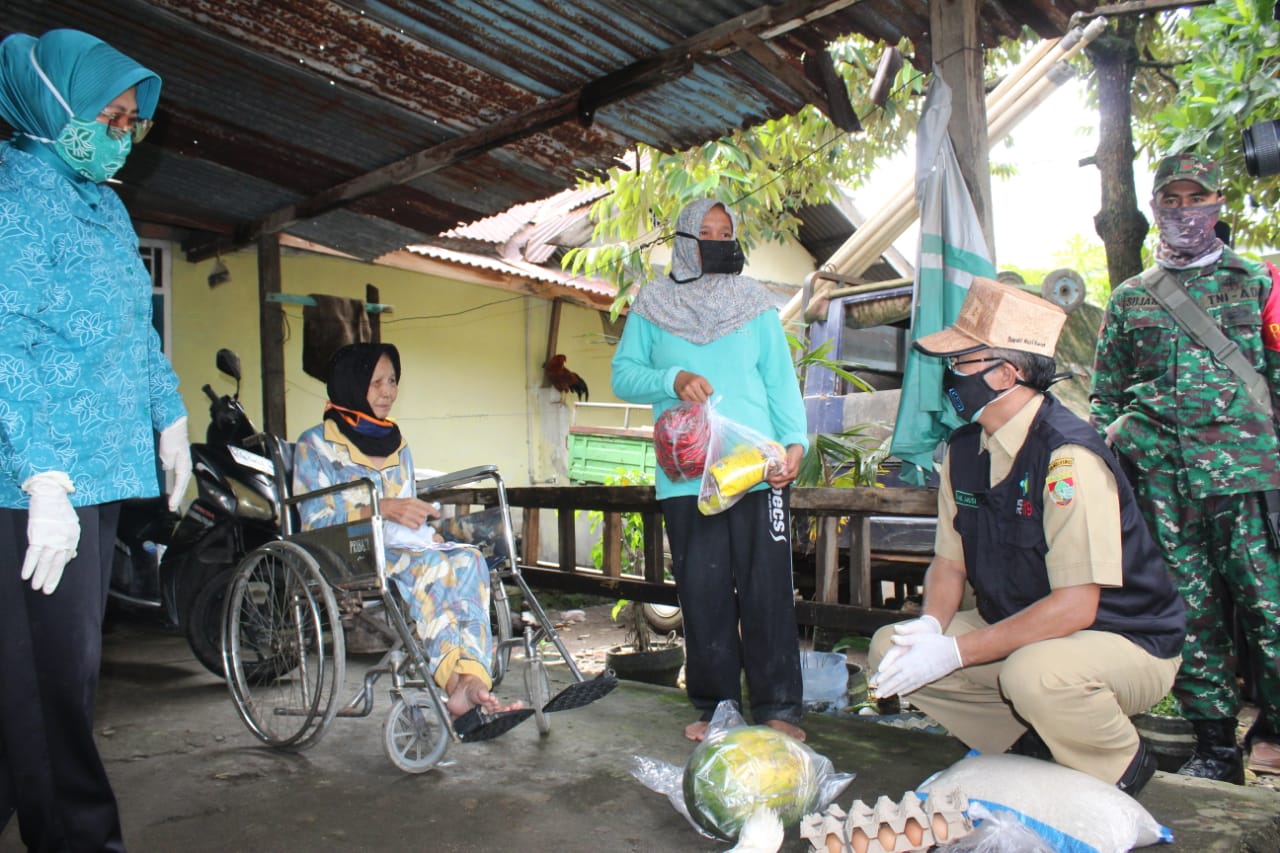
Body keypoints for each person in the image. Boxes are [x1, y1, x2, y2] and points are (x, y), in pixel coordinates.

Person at [868, 277, 1186, 797]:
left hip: (1123, 636)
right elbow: (950, 562)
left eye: (961, 362)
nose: (950, 374)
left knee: (1035, 675)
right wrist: (931, 627)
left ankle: (1120, 767)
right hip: (1022, 625)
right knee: (891, 649)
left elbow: (1076, 608)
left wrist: (955, 653)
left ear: (1005, 373)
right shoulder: (964, 450)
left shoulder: (1067, 457)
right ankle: (1028, 748)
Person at [0, 28, 193, 851]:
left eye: (129, 122)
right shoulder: (14, 199)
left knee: (37, 684)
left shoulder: (105, 205)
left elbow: (134, 328)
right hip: (38, 481)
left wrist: (170, 414)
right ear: (53, 103)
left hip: (102, 473)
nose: (119, 134)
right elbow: (4, 340)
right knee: (53, 691)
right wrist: (41, 475)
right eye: (107, 117)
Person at [1091, 152, 1280, 781]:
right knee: (1190, 614)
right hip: (1162, 482)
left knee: (1270, 607)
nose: (1184, 211)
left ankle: (1275, 729)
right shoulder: (1130, 298)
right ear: (1154, 208)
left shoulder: (1258, 282)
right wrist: (1118, 443)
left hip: (1247, 477)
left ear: (1218, 203)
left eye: (1196, 198)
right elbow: (1106, 393)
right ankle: (1216, 746)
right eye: (1171, 200)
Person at [611, 199, 809, 742]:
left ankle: (779, 708)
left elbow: (779, 378)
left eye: (726, 233)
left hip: (757, 468)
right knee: (703, 589)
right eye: (706, 232)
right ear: (683, 242)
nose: (719, 241)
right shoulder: (653, 303)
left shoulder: (754, 302)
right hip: (688, 472)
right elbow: (623, 375)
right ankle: (715, 707)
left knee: (767, 587)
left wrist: (795, 443)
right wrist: (672, 379)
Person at [292, 343, 534, 740]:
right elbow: (313, 521)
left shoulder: (397, 444)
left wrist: (423, 527)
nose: (387, 392)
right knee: (433, 565)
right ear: (351, 384)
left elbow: (403, 512)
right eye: (376, 382)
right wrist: (382, 507)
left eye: (392, 381)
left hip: (398, 548)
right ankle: (454, 684)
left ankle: (471, 677)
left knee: (469, 559)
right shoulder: (314, 445)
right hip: (345, 553)